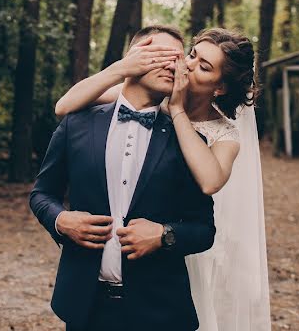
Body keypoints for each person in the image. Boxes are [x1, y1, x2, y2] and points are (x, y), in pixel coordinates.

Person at [55, 27, 272, 331]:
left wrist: (178, 111)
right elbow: (64, 106)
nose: (189, 65)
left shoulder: (225, 133)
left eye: (204, 66)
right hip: (131, 248)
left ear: (219, 87)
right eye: (192, 54)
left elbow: (210, 181)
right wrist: (121, 68)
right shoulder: (150, 93)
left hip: (184, 242)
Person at [30, 25, 216, 331]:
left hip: (161, 312)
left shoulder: (188, 143)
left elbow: (205, 230)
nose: (174, 65)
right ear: (133, 58)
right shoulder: (76, 124)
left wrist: (164, 235)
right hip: (84, 306)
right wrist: (60, 221)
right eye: (161, 55)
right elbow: (41, 194)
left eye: (179, 60)